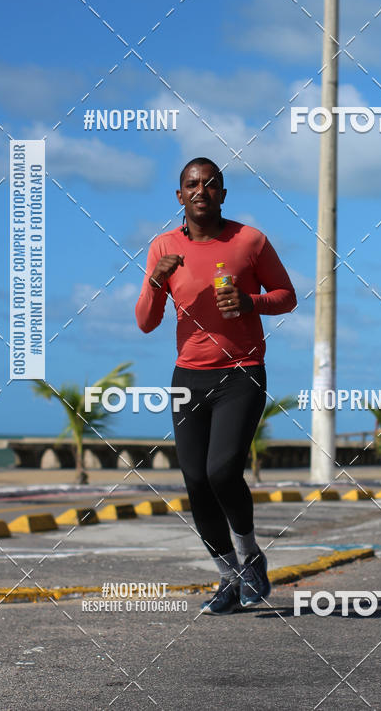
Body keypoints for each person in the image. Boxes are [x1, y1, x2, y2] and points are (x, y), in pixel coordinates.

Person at [135, 157, 296, 614]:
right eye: (191, 183)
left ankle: (250, 557)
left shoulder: (249, 240)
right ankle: (229, 577)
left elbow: (286, 296)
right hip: (188, 376)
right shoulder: (162, 247)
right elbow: (146, 322)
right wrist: (156, 280)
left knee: (222, 471)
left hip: (242, 371)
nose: (201, 189)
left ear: (222, 194)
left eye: (210, 183)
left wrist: (249, 301)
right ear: (180, 195)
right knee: (195, 481)